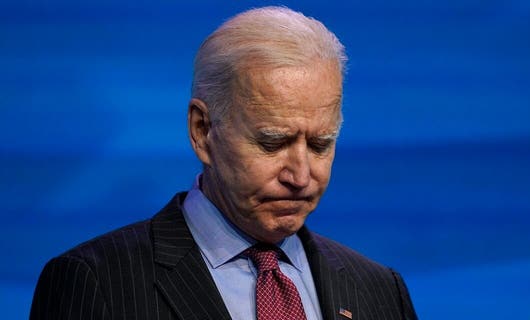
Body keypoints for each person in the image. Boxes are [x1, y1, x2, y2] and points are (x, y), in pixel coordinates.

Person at [30, 6, 417, 320]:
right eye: (272, 143)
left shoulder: (380, 291)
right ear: (202, 131)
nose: (301, 176)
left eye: (320, 145)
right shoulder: (95, 282)